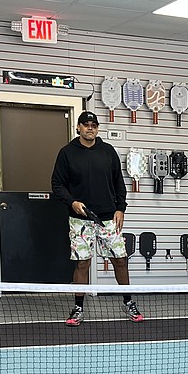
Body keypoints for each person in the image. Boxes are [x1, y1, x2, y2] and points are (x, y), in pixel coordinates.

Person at [50, 110, 143, 325]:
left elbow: (119, 183)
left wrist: (121, 208)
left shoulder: (108, 151)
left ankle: (129, 303)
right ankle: (78, 308)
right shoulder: (67, 153)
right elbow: (57, 184)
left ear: (97, 128)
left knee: (120, 260)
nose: (90, 128)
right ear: (78, 128)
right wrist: (72, 202)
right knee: (82, 264)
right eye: (85, 124)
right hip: (80, 220)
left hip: (109, 219)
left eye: (93, 124)